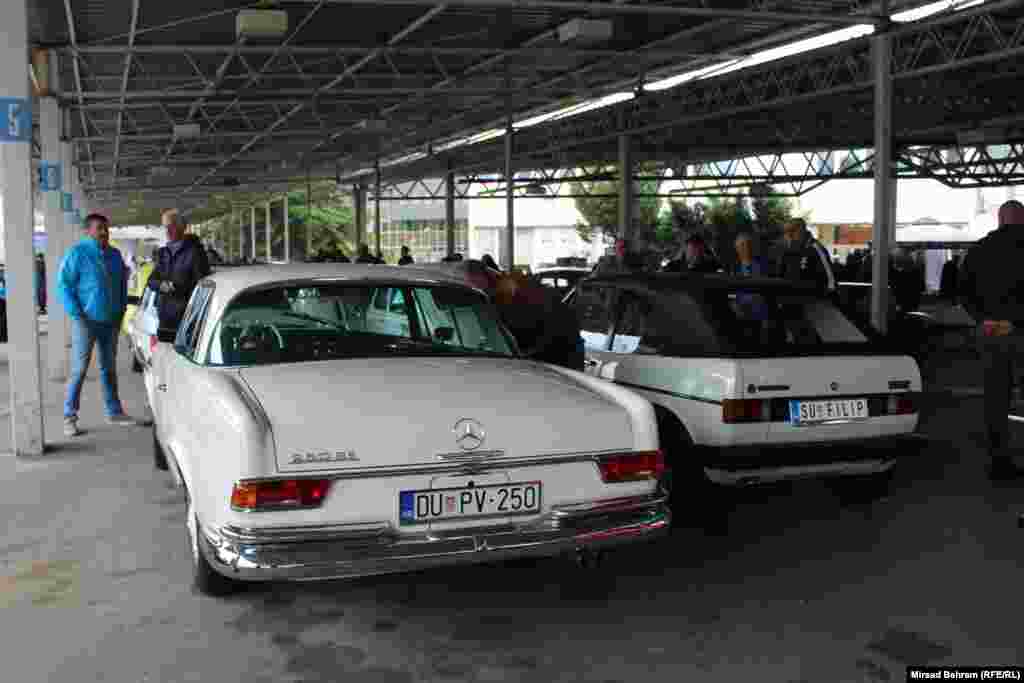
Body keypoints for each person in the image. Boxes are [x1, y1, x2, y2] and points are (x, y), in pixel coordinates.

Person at [959, 199, 1024, 480]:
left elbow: (963, 293)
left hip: (990, 333)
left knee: (996, 399)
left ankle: (999, 462)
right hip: (1020, 331)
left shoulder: (978, 250)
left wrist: (982, 319)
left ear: (999, 219)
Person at [57, 213, 138, 436]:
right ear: (88, 231)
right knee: (79, 369)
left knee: (108, 368)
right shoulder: (78, 253)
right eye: (100, 228)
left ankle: (115, 412)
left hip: (110, 321)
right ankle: (69, 416)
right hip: (86, 321)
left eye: (106, 228)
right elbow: (64, 285)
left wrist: (121, 310)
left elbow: (122, 284)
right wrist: (77, 313)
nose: (104, 232)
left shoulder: (114, 255)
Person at [494, 271, 584, 371]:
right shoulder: (544, 298)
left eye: (503, 292)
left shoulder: (531, 304)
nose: (501, 294)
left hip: (557, 362)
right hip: (566, 360)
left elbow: (547, 338)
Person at [147, 209, 211, 333]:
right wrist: (161, 285)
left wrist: (178, 288)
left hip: (186, 319)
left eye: (171, 226)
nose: (167, 231)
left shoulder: (195, 253)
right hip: (164, 318)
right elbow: (151, 281)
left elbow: (203, 287)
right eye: (165, 227)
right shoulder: (163, 253)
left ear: (182, 227)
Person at [778, 218, 836, 294]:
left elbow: (830, 280)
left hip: (812, 299)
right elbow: (781, 275)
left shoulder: (815, 248)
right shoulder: (788, 250)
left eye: (792, 231)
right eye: (786, 232)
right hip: (790, 298)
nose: (789, 235)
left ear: (801, 230)